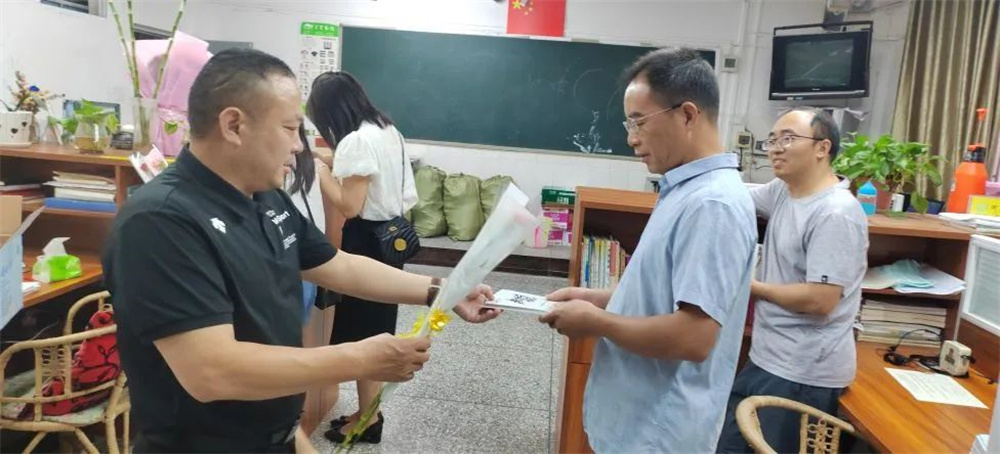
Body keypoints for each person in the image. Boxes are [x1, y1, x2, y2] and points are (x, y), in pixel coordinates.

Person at [102, 48, 500, 453]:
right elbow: (213, 372)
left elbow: (337, 265)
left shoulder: (263, 196)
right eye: (290, 129)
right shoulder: (162, 222)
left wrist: (444, 291)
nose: (299, 147)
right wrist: (361, 358)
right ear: (234, 125)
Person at [538, 48, 757, 452]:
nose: (631, 138)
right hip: (636, 418)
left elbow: (693, 337)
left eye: (639, 121)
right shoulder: (684, 189)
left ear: (687, 115)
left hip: (659, 430)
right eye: (629, 123)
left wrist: (596, 322)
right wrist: (599, 299)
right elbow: (665, 295)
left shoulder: (712, 204)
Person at [716, 108, 869, 453]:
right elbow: (734, 199)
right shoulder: (784, 191)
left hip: (803, 371)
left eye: (788, 139)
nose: (775, 148)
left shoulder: (836, 213)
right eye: (772, 140)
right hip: (767, 357)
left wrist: (750, 287)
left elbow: (820, 300)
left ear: (822, 148)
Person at [304, 71, 420, 444]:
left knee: (364, 335)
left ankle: (369, 420)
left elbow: (349, 205)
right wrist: (328, 157)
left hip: (366, 242)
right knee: (374, 330)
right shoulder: (385, 129)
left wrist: (321, 171)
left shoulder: (356, 140)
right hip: (391, 238)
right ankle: (368, 412)